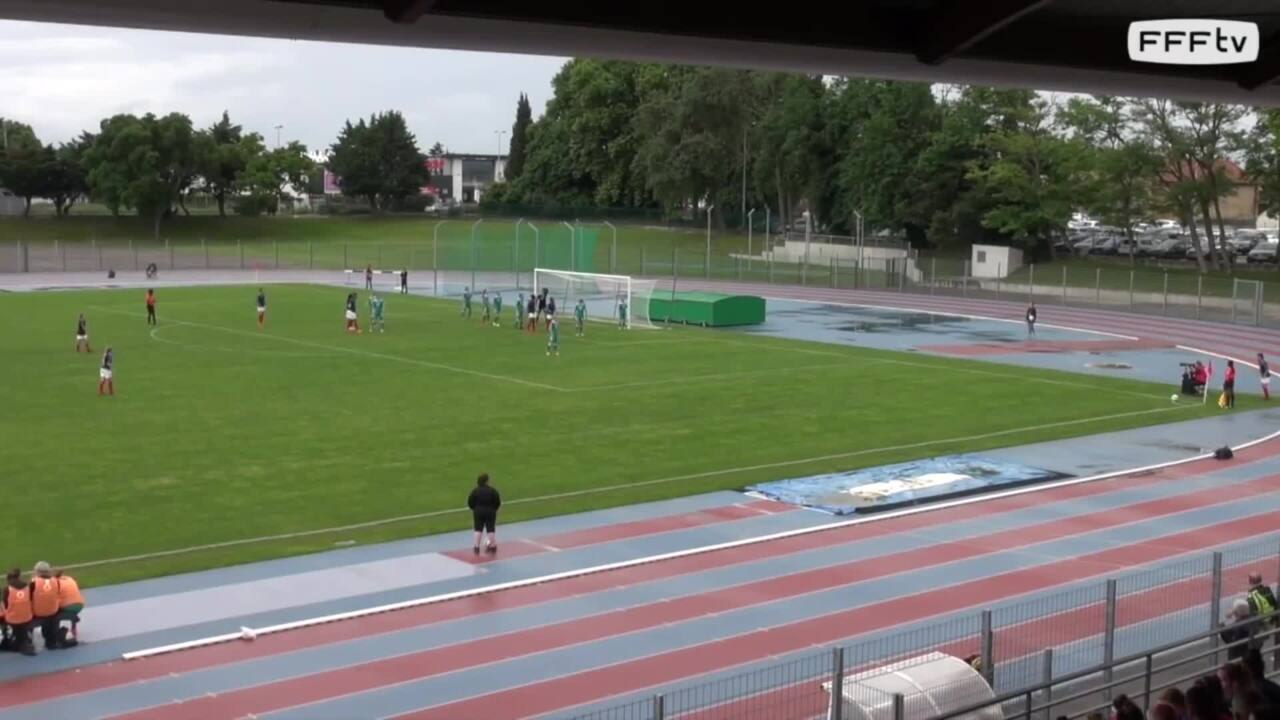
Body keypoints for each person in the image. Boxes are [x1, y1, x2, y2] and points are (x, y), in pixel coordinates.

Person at [467, 473, 501, 556]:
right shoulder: (492, 490)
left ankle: (476, 547)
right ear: (486, 481)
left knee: (478, 529)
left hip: (478, 511)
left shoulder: (475, 491)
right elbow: (497, 502)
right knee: (490, 529)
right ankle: (493, 546)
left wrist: (475, 509)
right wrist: (494, 509)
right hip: (490, 511)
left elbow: (470, 502)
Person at [3, 569, 35, 656]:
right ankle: (24, 642)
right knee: (22, 624)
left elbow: (6, 606)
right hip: (27, 617)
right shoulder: (27, 587)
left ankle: (16, 643)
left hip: (13, 619)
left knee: (7, 621)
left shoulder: (7, 589)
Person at [29, 562, 61, 650]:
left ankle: (27, 641)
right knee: (55, 613)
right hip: (52, 611)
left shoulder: (33, 582)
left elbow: (29, 598)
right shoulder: (55, 581)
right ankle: (51, 641)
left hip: (38, 613)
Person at [55, 569, 83, 646]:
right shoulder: (70, 578)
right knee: (71, 610)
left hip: (68, 606)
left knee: (54, 610)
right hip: (80, 605)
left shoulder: (55, 582)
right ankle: (73, 627)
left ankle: (55, 630)